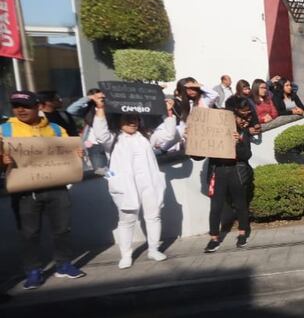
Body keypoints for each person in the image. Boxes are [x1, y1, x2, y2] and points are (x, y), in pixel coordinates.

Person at [2, 91, 86, 288]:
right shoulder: (4, 130)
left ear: (38, 106)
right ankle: (33, 270)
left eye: (26, 106)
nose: (20, 110)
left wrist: (77, 152)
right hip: (24, 191)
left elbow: (71, 151)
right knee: (29, 233)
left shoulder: (55, 129)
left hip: (56, 186)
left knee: (62, 228)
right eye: (16, 106)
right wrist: (2, 160)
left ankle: (64, 264)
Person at [91, 99, 176, 267]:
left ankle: (153, 249)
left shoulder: (147, 136)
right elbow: (101, 134)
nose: (132, 122)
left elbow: (169, 134)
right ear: (119, 121)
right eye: (127, 119)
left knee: (153, 216)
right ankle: (126, 255)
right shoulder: (113, 140)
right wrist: (100, 109)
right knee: (126, 220)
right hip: (126, 186)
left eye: (135, 119)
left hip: (149, 183)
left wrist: (168, 112)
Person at [203, 96, 256, 252]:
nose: (243, 119)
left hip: (236, 170)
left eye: (245, 116)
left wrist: (237, 143)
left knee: (240, 204)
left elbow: (246, 155)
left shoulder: (242, 132)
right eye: (240, 115)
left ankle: (242, 233)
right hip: (218, 171)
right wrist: (191, 139)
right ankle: (214, 237)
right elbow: (199, 154)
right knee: (216, 206)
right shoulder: (214, 131)